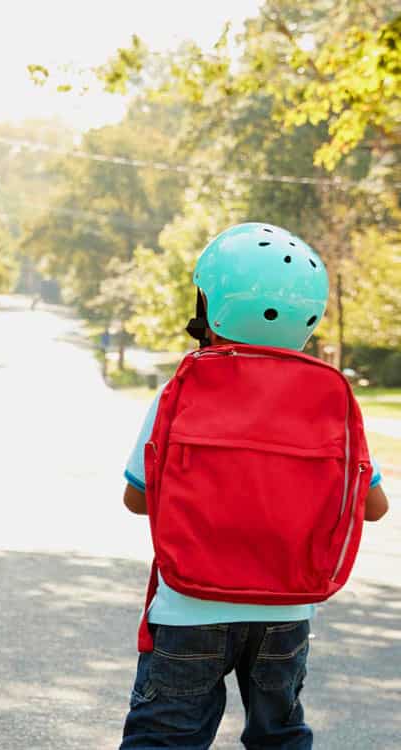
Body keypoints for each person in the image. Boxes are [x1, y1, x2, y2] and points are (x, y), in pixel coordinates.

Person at [119, 223, 389, 749]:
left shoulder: (184, 386)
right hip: (287, 610)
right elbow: (372, 506)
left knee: (165, 736)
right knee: (281, 735)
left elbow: (137, 498)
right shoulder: (327, 398)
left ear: (211, 306)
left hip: (190, 604)